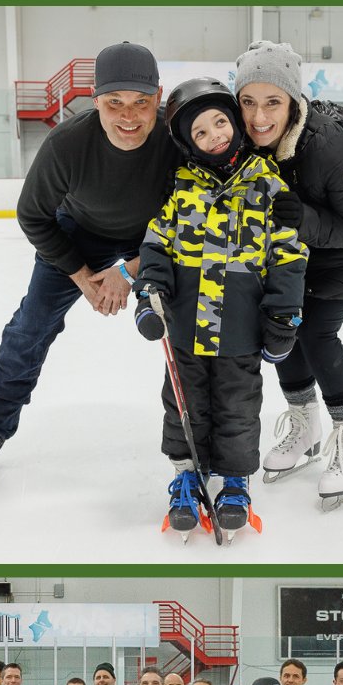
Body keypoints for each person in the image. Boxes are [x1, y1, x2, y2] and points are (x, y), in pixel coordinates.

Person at [0, 42, 181, 487]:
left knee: (189, 322)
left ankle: (199, 429)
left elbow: (192, 219)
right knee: (30, 327)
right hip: (79, 234)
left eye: (140, 102)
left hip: (158, 237)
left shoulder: (178, 142)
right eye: (114, 103)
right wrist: (82, 277)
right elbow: (32, 216)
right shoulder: (67, 144)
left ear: (158, 97)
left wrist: (128, 270)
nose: (128, 117)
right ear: (95, 99)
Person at [133, 76, 307, 535]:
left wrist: (283, 316)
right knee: (183, 403)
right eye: (201, 133)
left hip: (240, 327)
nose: (216, 136)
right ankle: (186, 477)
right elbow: (156, 245)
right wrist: (149, 298)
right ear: (189, 144)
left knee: (237, 406)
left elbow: (288, 254)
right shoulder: (181, 189)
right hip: (186, 326)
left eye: (220, 123)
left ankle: (234, 480)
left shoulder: (267, 185)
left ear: (234, 121)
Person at [235, 40, 343, 504]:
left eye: (272, 102)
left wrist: (302, 218)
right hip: (304, 244)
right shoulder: (249, 137)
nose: (258, 116)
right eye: (248, 101)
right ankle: (304, 425)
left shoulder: (329, 147)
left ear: (293, 102)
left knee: (317, 331)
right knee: (282, 322)